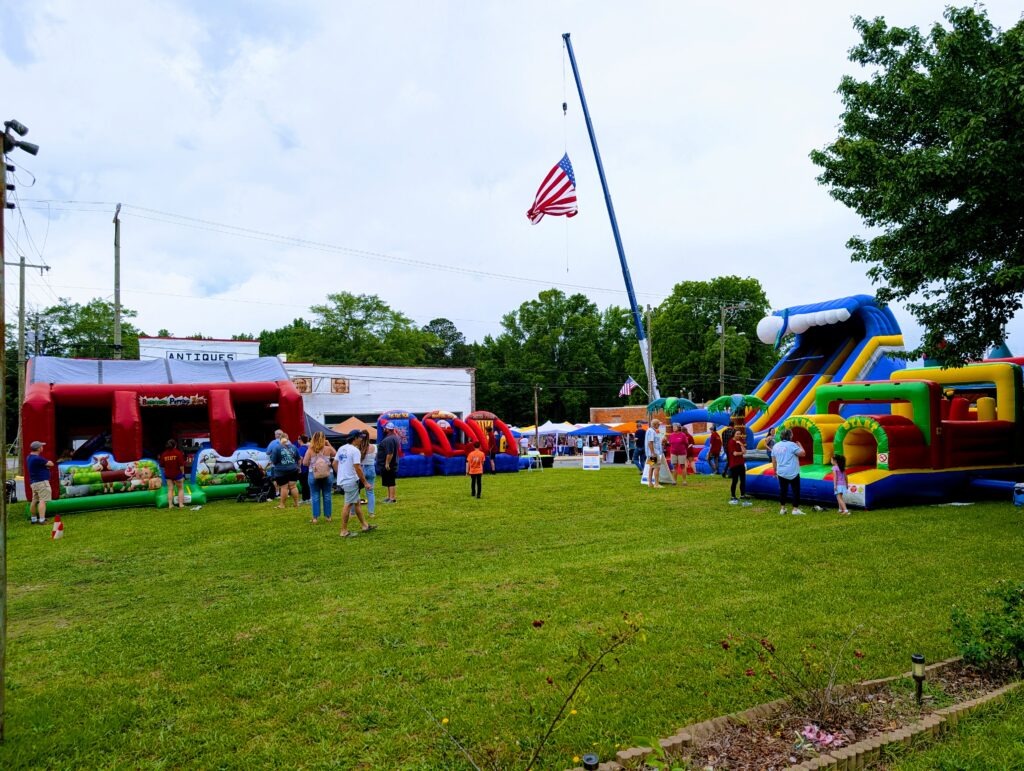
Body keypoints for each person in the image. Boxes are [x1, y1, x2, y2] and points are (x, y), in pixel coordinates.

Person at [338, 432, 375, 537]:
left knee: (357, 503)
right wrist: (365, 482)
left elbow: (335, 463)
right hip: (351, 480)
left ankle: (365, 525)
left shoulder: (341, 448)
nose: (362, 440)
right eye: (360, 438)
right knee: (348, 504)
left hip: (344, 480)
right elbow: (357, 468)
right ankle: (343, 531)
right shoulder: (355, 451)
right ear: (355, 438)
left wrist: (341, 474)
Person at [302, 431, 336, 523]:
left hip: (313, 474)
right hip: (328, 474)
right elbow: (336, 455)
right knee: (327, 494)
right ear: (324, 438)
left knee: (315, 495)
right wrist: (328, 444)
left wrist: (312, 463)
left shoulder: (310, 449)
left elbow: (304, 463)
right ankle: (328, 517)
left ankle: (315, 518)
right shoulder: (328, 449)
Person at [771, 428, 806, 515]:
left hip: (781, 472)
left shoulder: (776, 446)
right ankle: (795, 509)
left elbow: (774, 461)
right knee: (795, 490)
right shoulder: (792, 445)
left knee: (783, 490)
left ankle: (782, 509)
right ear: (790, 436)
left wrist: (775, 471)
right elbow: (803, 453)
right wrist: (800, 446)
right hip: (792, 472)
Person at [271, 433, 301, 509]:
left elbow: (273, 461)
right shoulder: (294, 447)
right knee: (293, 487)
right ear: (288, 439)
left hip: (281, 471)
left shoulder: (276, 448)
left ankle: (282, 505)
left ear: (280, 439)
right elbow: (298, 458)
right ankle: (296, 503)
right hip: (293, 469)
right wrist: (298, 467)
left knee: (284, 487)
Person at [27, 440, 54, 525]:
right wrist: (47, 466)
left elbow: (42, 466)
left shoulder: (29, 457)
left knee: (34, 500)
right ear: (39, 448)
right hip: (42, 482)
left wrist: (45, 466)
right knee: (43, 501)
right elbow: (51, 464)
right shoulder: (38, 458)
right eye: (41, 446)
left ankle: (34, 519)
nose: (42, 447)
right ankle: (42, 520)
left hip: (34, 482)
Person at [376, 421, 401, 504]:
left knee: (390, 481)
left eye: (385, 428)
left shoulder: (389, 439)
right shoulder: (394, 437)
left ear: (387, 429)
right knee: (388, 481)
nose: (383, 429)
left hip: (389, 464)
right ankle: (389, 497)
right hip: (391, 463)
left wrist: (387, 463)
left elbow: (390, 453)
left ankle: (392, 499)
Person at [158, 439, 187, 509]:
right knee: (180, 489)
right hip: (177, 474)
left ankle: (170, 505)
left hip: (168, 474)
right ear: (175, 445)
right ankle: (181, 504)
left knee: (170, 489)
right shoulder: (178, 453)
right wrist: (183, 474)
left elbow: (162, 465)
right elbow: (181, 466)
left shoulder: (164, 454)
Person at [726, 431, 750, 505]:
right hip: (734, 464)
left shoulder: (740, 441)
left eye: (739, 434)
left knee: (743, 480)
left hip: (741, 463)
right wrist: (742, 453)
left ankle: (742, 495)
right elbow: (735, 453)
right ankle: (733, 496)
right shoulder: (731, 442)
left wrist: (741, 444)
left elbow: (745, 451)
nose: (738, 435)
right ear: (734, 434)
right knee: (735, 480)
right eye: (737, 434)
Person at [360, 430, 376, 515]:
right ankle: (371, 513)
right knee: (370, 492)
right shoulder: (374, 447)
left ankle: (353, 512)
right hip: (371, 468)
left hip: (360, 469)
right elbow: (375, 457)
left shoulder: (358, 447)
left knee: (356, 491)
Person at [265, 428, 284, 500]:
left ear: (276, 435)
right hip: (285, 464)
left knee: (274, 479)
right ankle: (284, 492)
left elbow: (267, 452)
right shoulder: (287, 442)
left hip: (275, 465)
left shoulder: (273, 443)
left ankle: (277, 493)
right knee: (283, 478)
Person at [645, 419, 664, 489]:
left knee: (651, 467)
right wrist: (653, 453)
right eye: (658, 424)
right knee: (657, 467)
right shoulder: (652, 431)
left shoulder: (650, 430)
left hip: (652, 453)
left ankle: (650, 483)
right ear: (655, 424)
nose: (659, 425)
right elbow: (650, 442)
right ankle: (656, 484)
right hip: (654, 453)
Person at [296, 434, 311, 504]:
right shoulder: (307, 447)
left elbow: (300, 458)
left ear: (300, 440)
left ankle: (306, 498)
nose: (297, 440)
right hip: (306, 468)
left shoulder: (302, 448)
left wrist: (299, 468)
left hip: (303, 468)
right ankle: (306, 498)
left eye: (298, 439)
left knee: (304, 484)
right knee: (305, 483)